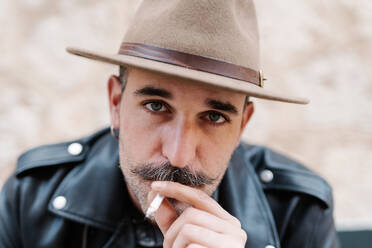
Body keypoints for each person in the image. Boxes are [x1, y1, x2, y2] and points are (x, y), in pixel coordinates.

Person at [0, 0, 339, 247]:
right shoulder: (31, 197)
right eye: (156, 105)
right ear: (116, 103)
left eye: (215, 116)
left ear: (242, 126)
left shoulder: (298, 211)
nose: (178, 155)